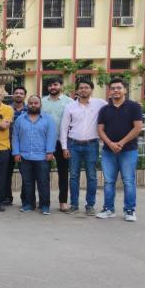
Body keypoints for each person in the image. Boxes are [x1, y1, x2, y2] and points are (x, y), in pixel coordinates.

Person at [96, 78, 143, 222]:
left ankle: (130, 210)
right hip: (108, 151)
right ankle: (108, 209)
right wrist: (110, 144)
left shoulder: (134, 107)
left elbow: (138, 127)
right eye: (113, 88)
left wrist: (120, 143)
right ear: (109, 91)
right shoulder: (105, 109)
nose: (116, 91)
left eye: (119, 88)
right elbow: (100, 130)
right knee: (108, 181)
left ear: (125, 90)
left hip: (128, 150)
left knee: (128, 181)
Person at [61, 79, 107, 216]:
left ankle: (90, 205)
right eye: (80, 88)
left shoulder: (100, 104)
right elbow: (64, 128)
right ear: (77, 90)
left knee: (91, 176)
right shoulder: (70, 106)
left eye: (86, 87)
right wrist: (64, 147)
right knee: (73, 176)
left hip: (91, 145)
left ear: (91, 89)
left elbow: (115, 108)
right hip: (73, 144)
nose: (83, 90)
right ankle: (74, 204)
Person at [12, 95, 57, 215]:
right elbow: (15, 137)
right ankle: (29, 204)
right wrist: (16, 152)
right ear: (28, 104)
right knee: (27, 182)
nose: (33, 105)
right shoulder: (20, 119)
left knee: (43, 182)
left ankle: (44, 205)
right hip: (24, 156)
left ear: (40, 104)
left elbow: (51, 137)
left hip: (42, 156)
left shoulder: (48, 119)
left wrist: (50, 152)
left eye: (36, 103)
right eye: (31, 103)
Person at [41, 77, 74, 211]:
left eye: (55, 84)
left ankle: (63, 201)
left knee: (63, 173)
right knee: (43, 173)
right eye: (50, 85)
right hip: (45, 142)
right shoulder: (42, 102)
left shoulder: (70, 102)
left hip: (63, 142)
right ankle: (44, 201)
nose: (53, 87)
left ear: (61, 85)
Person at [4, 86, 28, 206]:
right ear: (13, 95)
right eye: (16, 93)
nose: (18, 95)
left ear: (25, 96)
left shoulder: (29, 110)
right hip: (7, 145)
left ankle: (25, 198)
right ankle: (7, 197)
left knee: (26, 174)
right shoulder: (6, 109)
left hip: (24, 146)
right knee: (6, 173)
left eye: (21, 93)